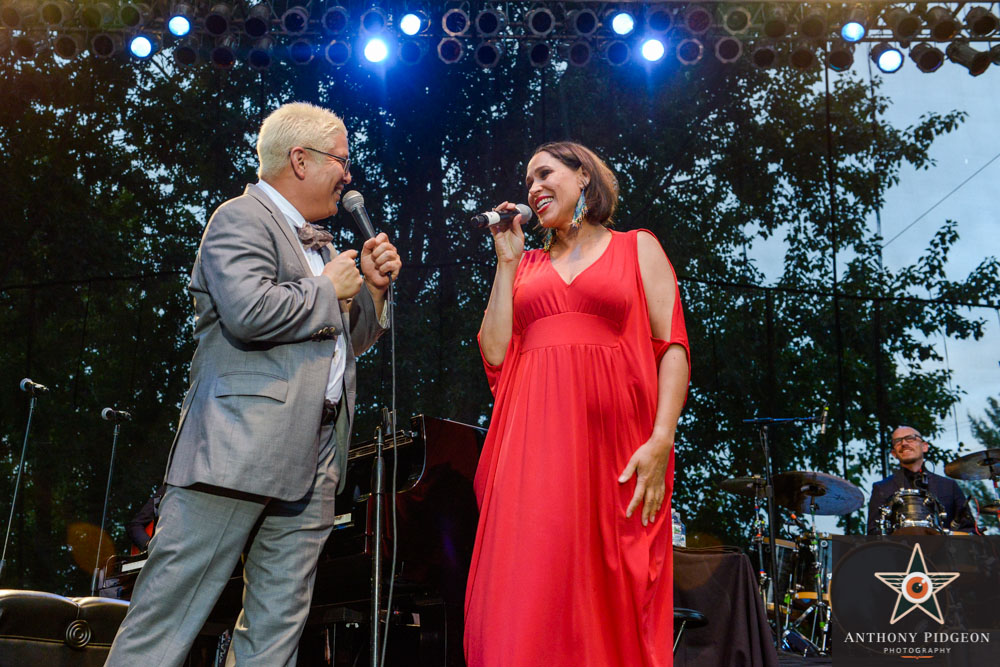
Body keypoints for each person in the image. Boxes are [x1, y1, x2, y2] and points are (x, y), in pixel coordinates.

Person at [107, 102, 401, 666]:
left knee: (276, 628)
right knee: (167, 618)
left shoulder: (318, 244)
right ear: (300, 159)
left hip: (315, 456)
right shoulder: (239, 218)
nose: (349, 174)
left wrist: (371, 290)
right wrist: (327, 289)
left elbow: (343, 341)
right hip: (237, 449)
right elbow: (246, 311)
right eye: (341, 160)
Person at [465, 142, 690, 667]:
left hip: (615, 450)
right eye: (527, 183)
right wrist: (506, 264)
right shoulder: (526, 266)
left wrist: (661, 439)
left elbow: (672, 347)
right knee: (531, 589)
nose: (533, 189)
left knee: (613, 592)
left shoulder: (637, 247)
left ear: (582, 175)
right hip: (533, 450)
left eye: (545, 174)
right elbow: (495, 352)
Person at [867, 426, 974, 535]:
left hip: (944, 550)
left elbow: (968, 530)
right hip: (901, 550)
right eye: (897, 441)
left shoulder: (948, 486)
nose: (904, 443)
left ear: (924, 447)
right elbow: (874, 533)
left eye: (910, 438)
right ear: (894, 453)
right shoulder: (882, 488)